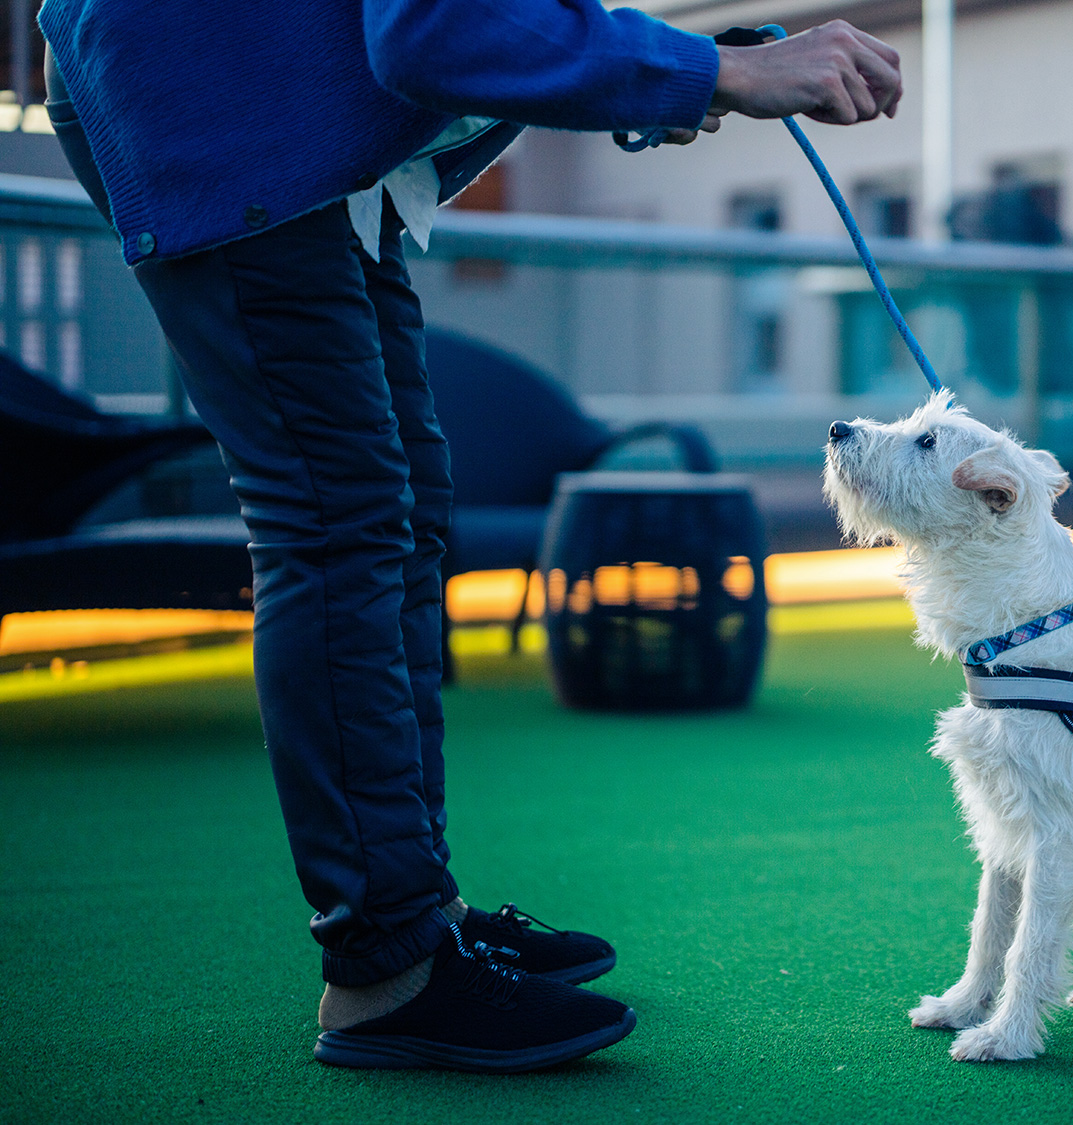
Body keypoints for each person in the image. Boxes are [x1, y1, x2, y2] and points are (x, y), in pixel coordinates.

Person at [37, 0, 901, 1073]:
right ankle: (385, 965)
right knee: (339, 529)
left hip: (285, 125)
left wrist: (683, 68)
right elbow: (434, 33)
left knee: (397, 512)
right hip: (227, 105)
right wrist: (709, 74)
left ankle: (417, 909)